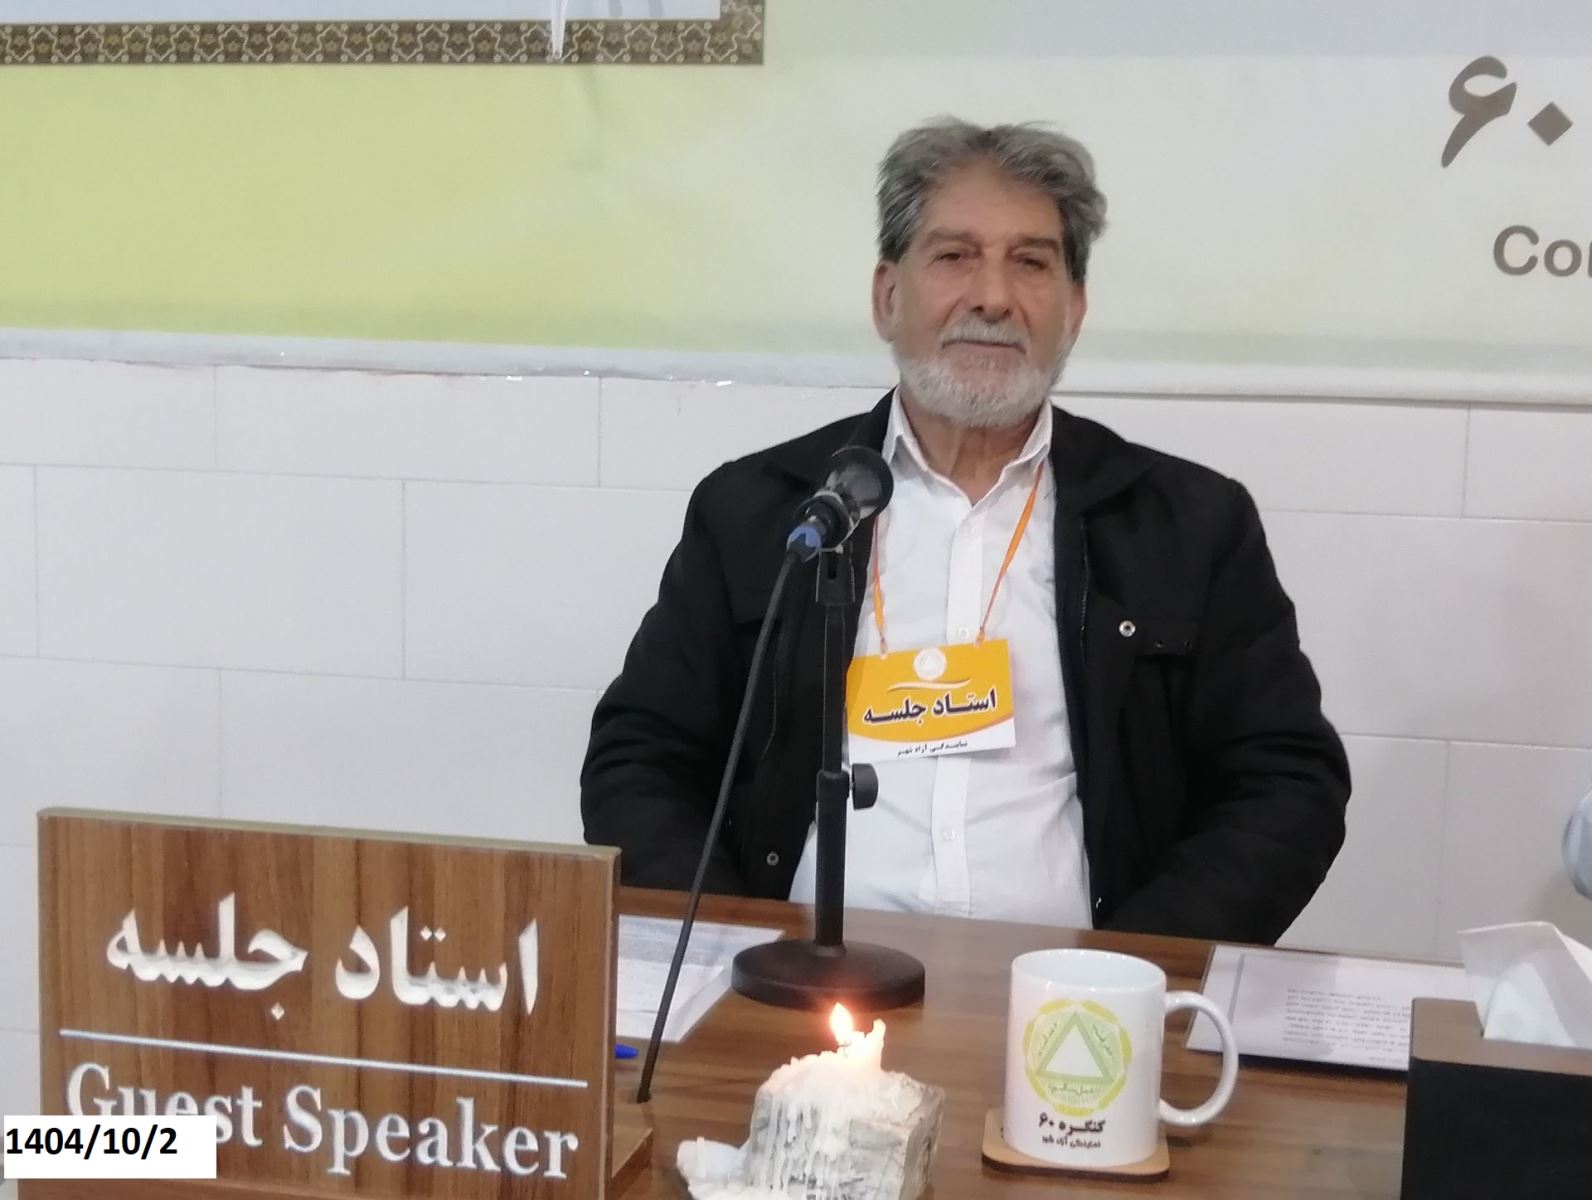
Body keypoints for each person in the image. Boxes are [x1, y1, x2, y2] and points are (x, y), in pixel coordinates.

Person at [582, 118, 1350, 943]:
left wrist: (1130, 969)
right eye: (954, 256)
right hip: (797, 985)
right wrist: (737, 946)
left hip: (1074, 1001)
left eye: (1031, 262)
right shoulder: (762, 511)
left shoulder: (1187, 525)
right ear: (888, 296)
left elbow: (1287, 785)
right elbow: (641, 758)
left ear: (1074, 309)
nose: (992, 297)